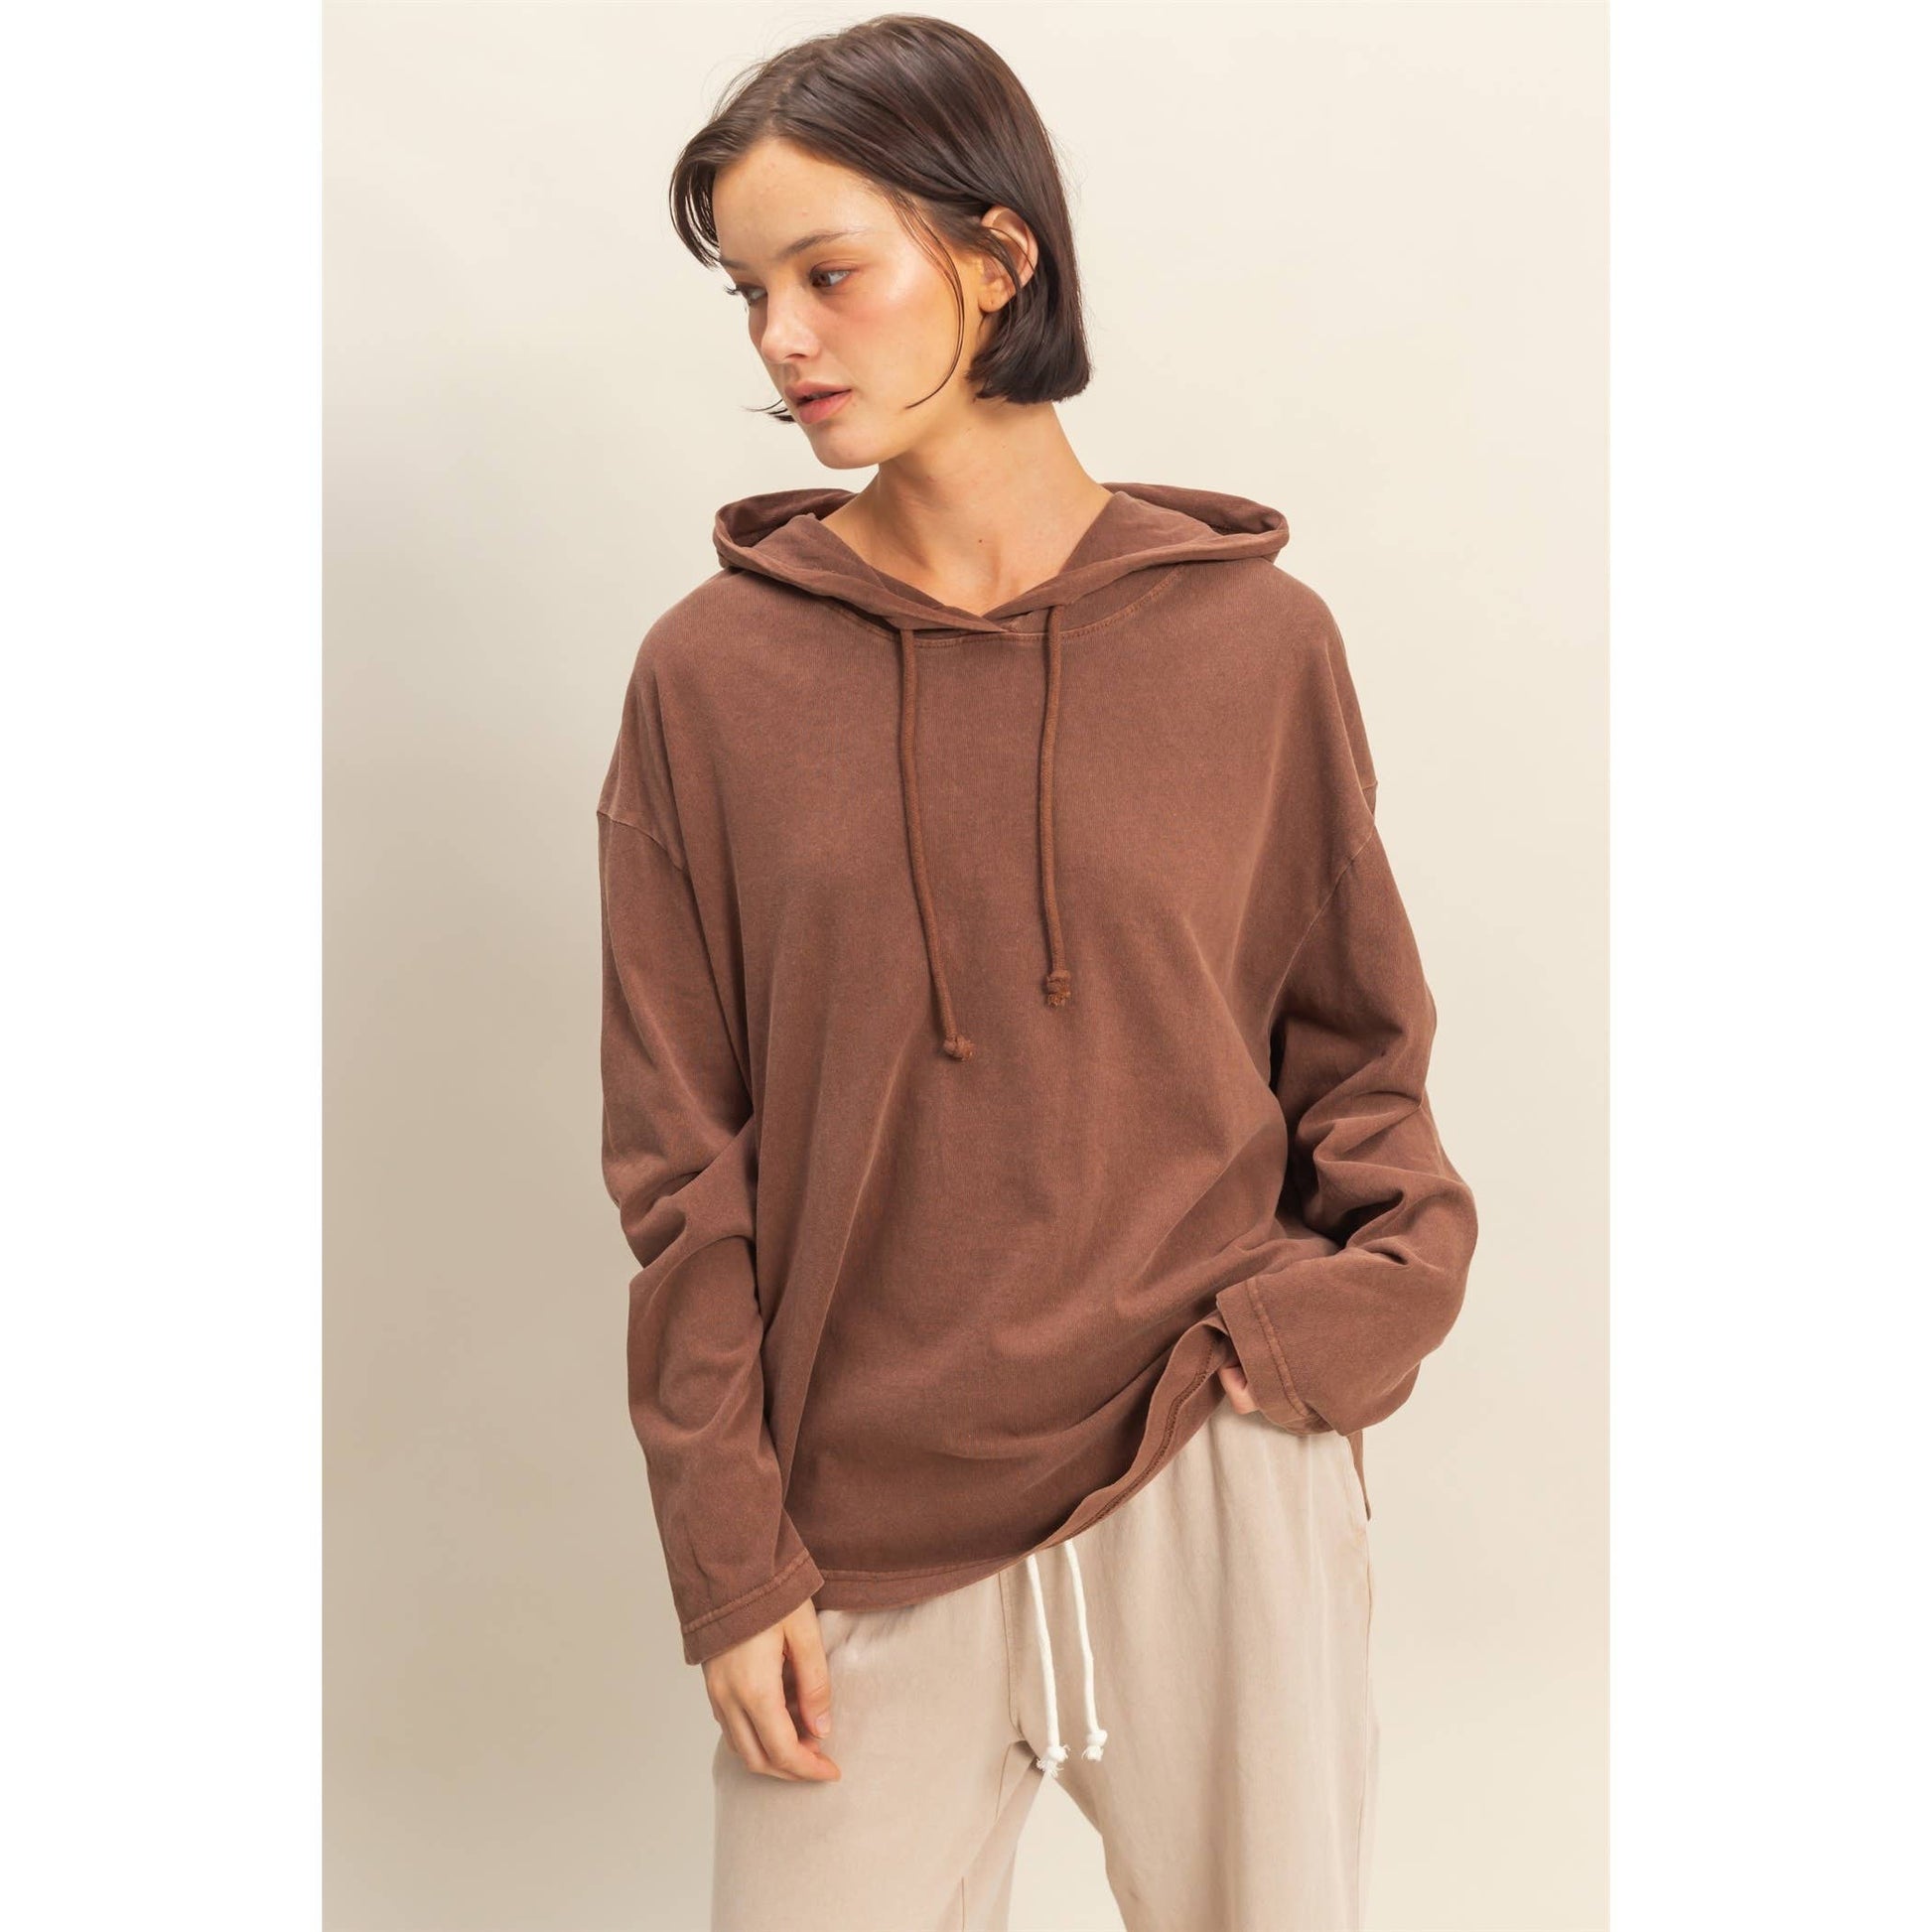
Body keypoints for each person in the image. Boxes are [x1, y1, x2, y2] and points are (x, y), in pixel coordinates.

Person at [595, 15, 1479, 1930]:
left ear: (995, 259)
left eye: (828, 273)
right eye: (749, 292)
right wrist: (731, 1556)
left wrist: (1321, 1344)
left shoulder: (1256, 647)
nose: (780, 340)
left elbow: (1359, 1059)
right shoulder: (710, 680)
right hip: (859, 1519)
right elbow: (679, 1166)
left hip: (1207, 1459)